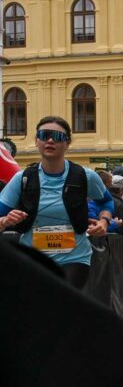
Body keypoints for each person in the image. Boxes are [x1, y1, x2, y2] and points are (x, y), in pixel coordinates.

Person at [0, 116, 114, 289]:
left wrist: (104, 222)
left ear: (67, 143)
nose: (50, 141)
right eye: (44, 135)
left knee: (61, 300)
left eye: (57, 137)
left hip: (74, 258)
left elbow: (106, 202)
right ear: (36, 141)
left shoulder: (85, 176)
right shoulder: (22, 178)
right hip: (33, 259)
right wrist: (5, 221)